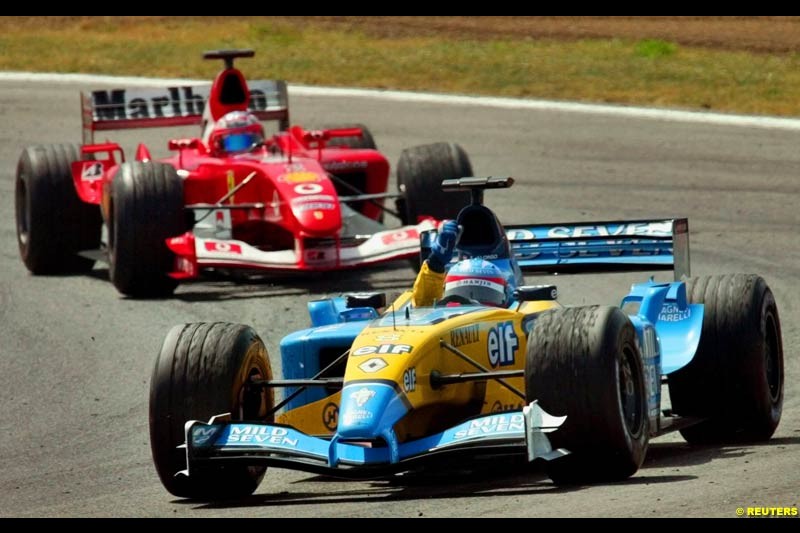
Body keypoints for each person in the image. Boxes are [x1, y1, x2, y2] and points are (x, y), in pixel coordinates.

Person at [412, 220, 511, 307]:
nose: (472, 305)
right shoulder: (438, 316)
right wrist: (436, 262)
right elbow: (424, 308)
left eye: (484, 295)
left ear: (504, 298)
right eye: (461, 293)